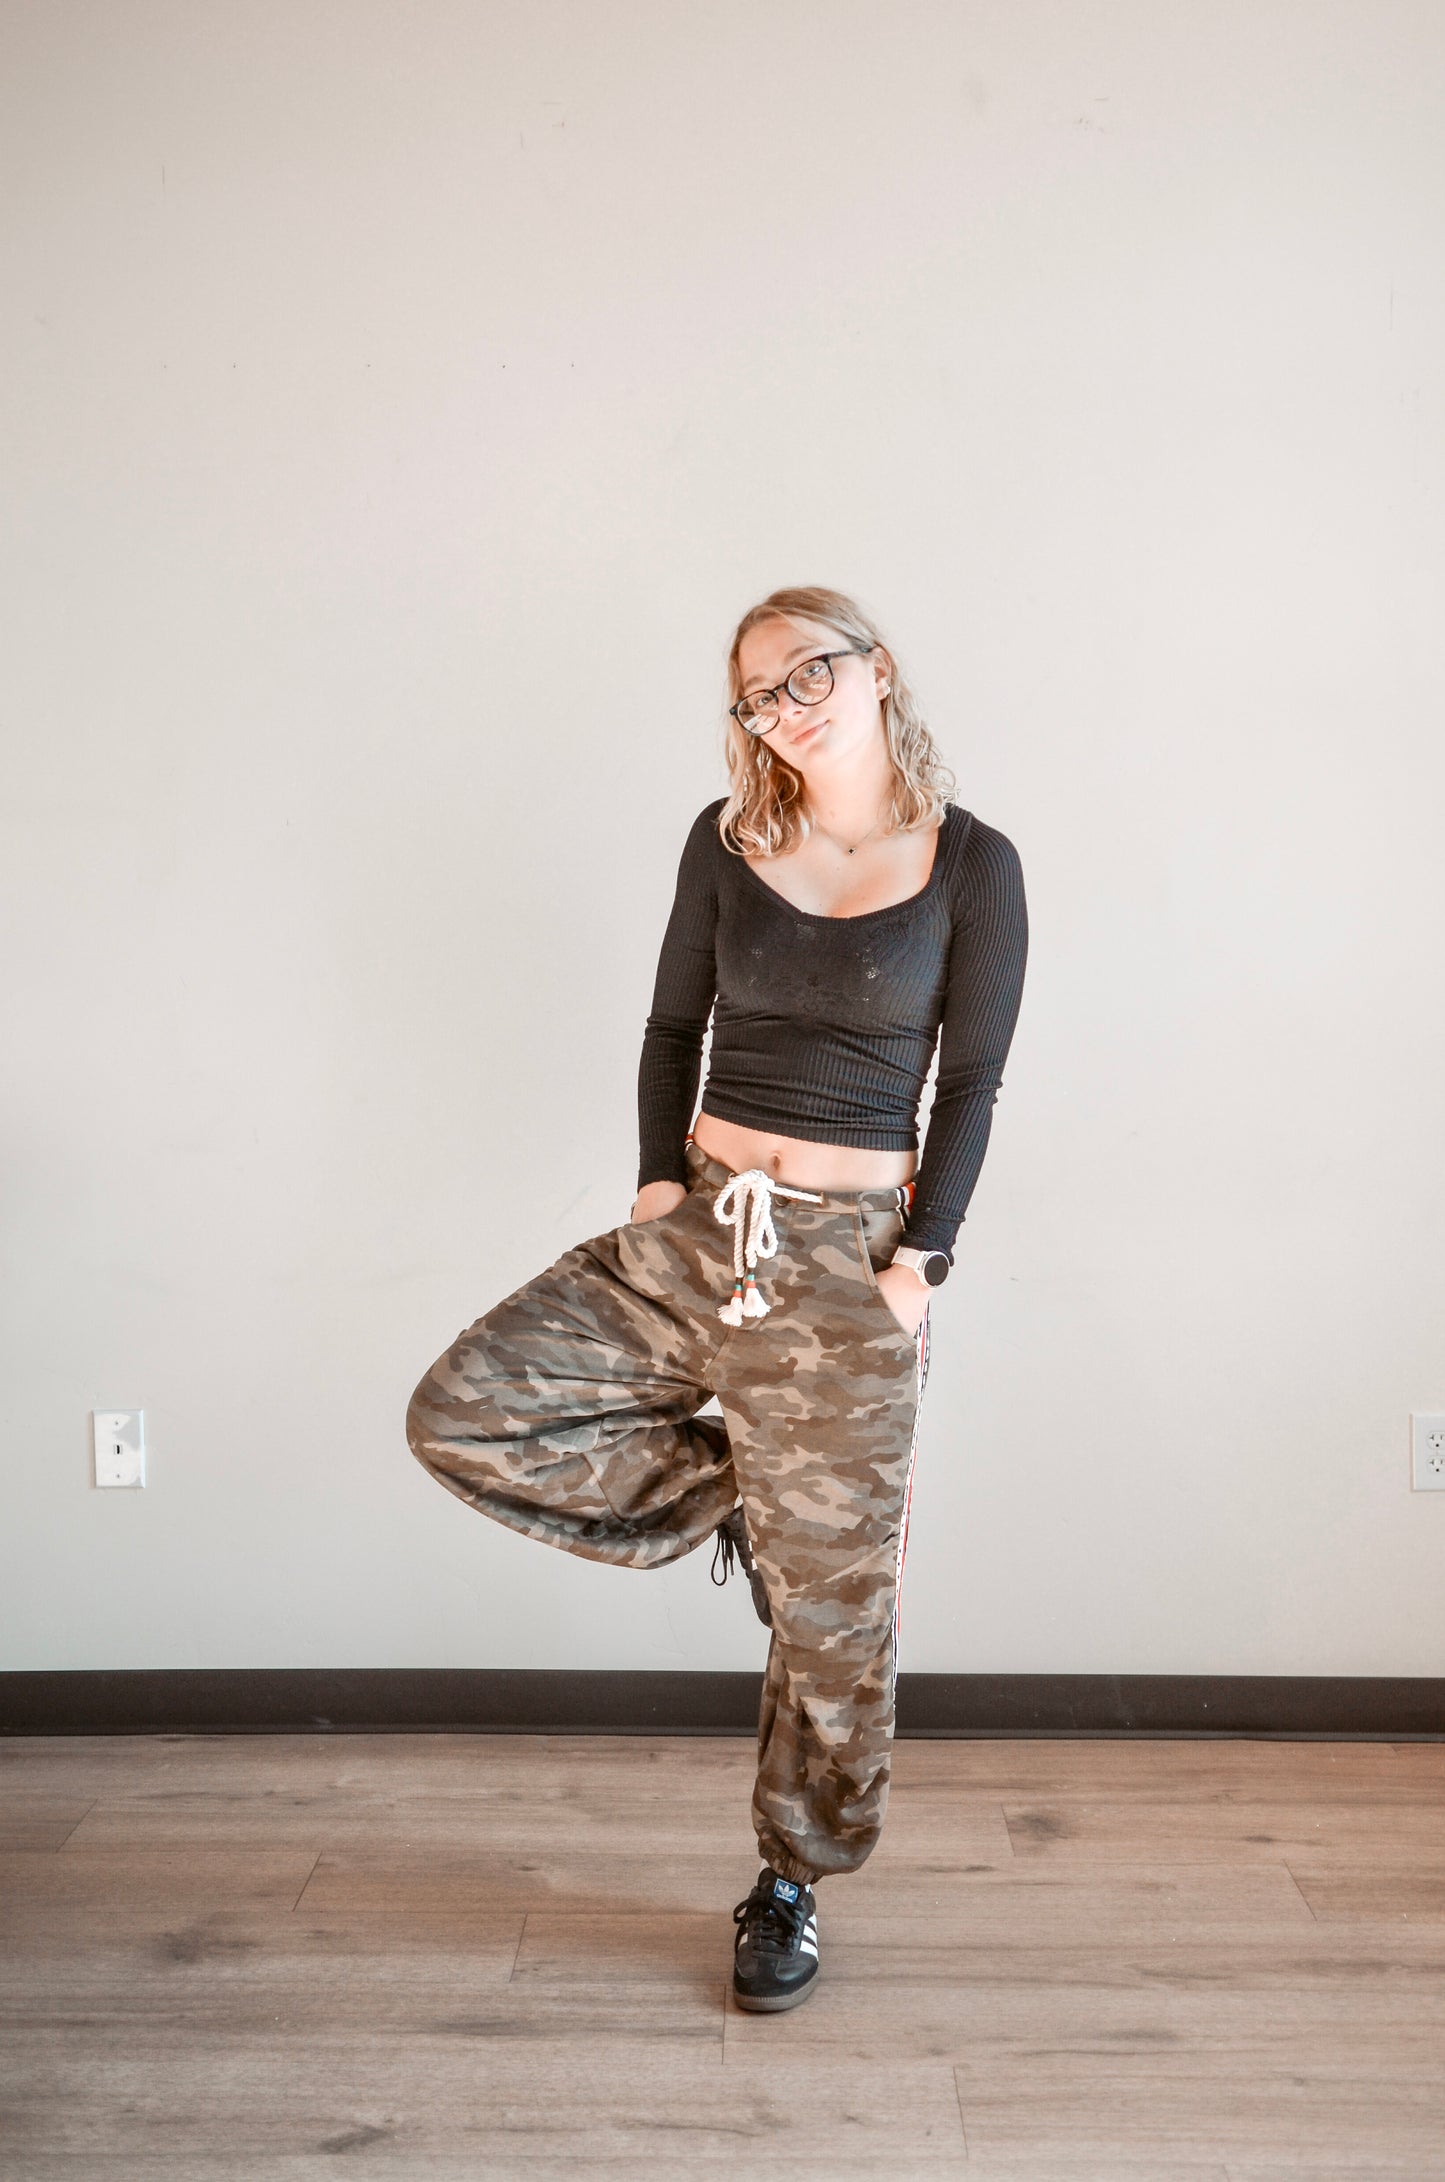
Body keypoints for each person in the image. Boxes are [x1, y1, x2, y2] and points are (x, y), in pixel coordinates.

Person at [405, 584, 1029, 2013]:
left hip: (848, 1263)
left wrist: (915, 1263)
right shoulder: (728, 834)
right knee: (466, 1411)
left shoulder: (973, 865)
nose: (783, 708)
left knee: (833, 1619)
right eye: (755, 694)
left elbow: (972, 1081)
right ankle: (737, 1502)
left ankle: (788, 1880)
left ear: (873, 671)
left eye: (806, 674)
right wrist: (652, 1181)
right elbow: (672, 1023)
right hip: (704, 1223)